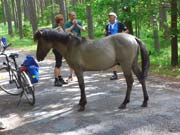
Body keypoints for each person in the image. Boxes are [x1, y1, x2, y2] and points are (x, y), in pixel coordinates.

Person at [105, 12, 128, 80]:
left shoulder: (120, 24)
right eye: (109, 17)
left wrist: (120, 35)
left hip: (119, 42)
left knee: (123, 58)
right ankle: (115, 74)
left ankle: (127, 73)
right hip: (110, 44)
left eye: (111, 16)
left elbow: (126, 30)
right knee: (113, 59)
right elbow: (106, 34)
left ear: (115, 17)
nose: (110, 18)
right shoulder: (107, 25)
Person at [64, 11, 85, 81]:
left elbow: (83, 29)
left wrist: (77, 25)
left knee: (80, 58)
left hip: (79, 43)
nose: (73, 17)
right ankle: (71, 75)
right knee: (72, 59)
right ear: (69, 17)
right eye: (72, 16)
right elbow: (66, 31)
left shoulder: (79, 22)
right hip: (71, 43)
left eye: (74, 15)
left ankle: (80, 74)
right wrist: (73, 25)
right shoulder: (67, 23)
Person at [52, 14, 68, 86]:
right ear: (60, 20)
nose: (63, 21)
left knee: (59, 64)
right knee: (58, 64)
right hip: (57, 48)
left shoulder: (59, 27)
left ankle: (59, 78)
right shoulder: (57, 28)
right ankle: (56, 80)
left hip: (59, 48)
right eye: (63, 20)